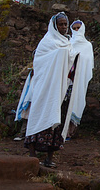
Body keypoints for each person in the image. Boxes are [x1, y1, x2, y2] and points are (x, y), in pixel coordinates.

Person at [24, 12, 73, 168]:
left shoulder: (67, 43)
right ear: (54, 25)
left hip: (59, 88)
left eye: (66, 24)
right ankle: (32, 155)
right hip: (44, 87)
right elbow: (39, 63)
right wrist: (61, 54)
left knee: (55, 120)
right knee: (38, 115)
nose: (64, 27)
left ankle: (49, 158)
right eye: (61, 24)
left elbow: (70, 65)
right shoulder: (46, 43)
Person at [61, 20, 94, 140]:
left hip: (79, 80)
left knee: (74, 103)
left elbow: (88, 64)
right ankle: (59, 131)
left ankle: (70, 131)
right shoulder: (68, 43)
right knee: (63, 104)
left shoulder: (87, 46)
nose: (76, 30)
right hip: (66, 80)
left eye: (78, 28)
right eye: (74, 28)